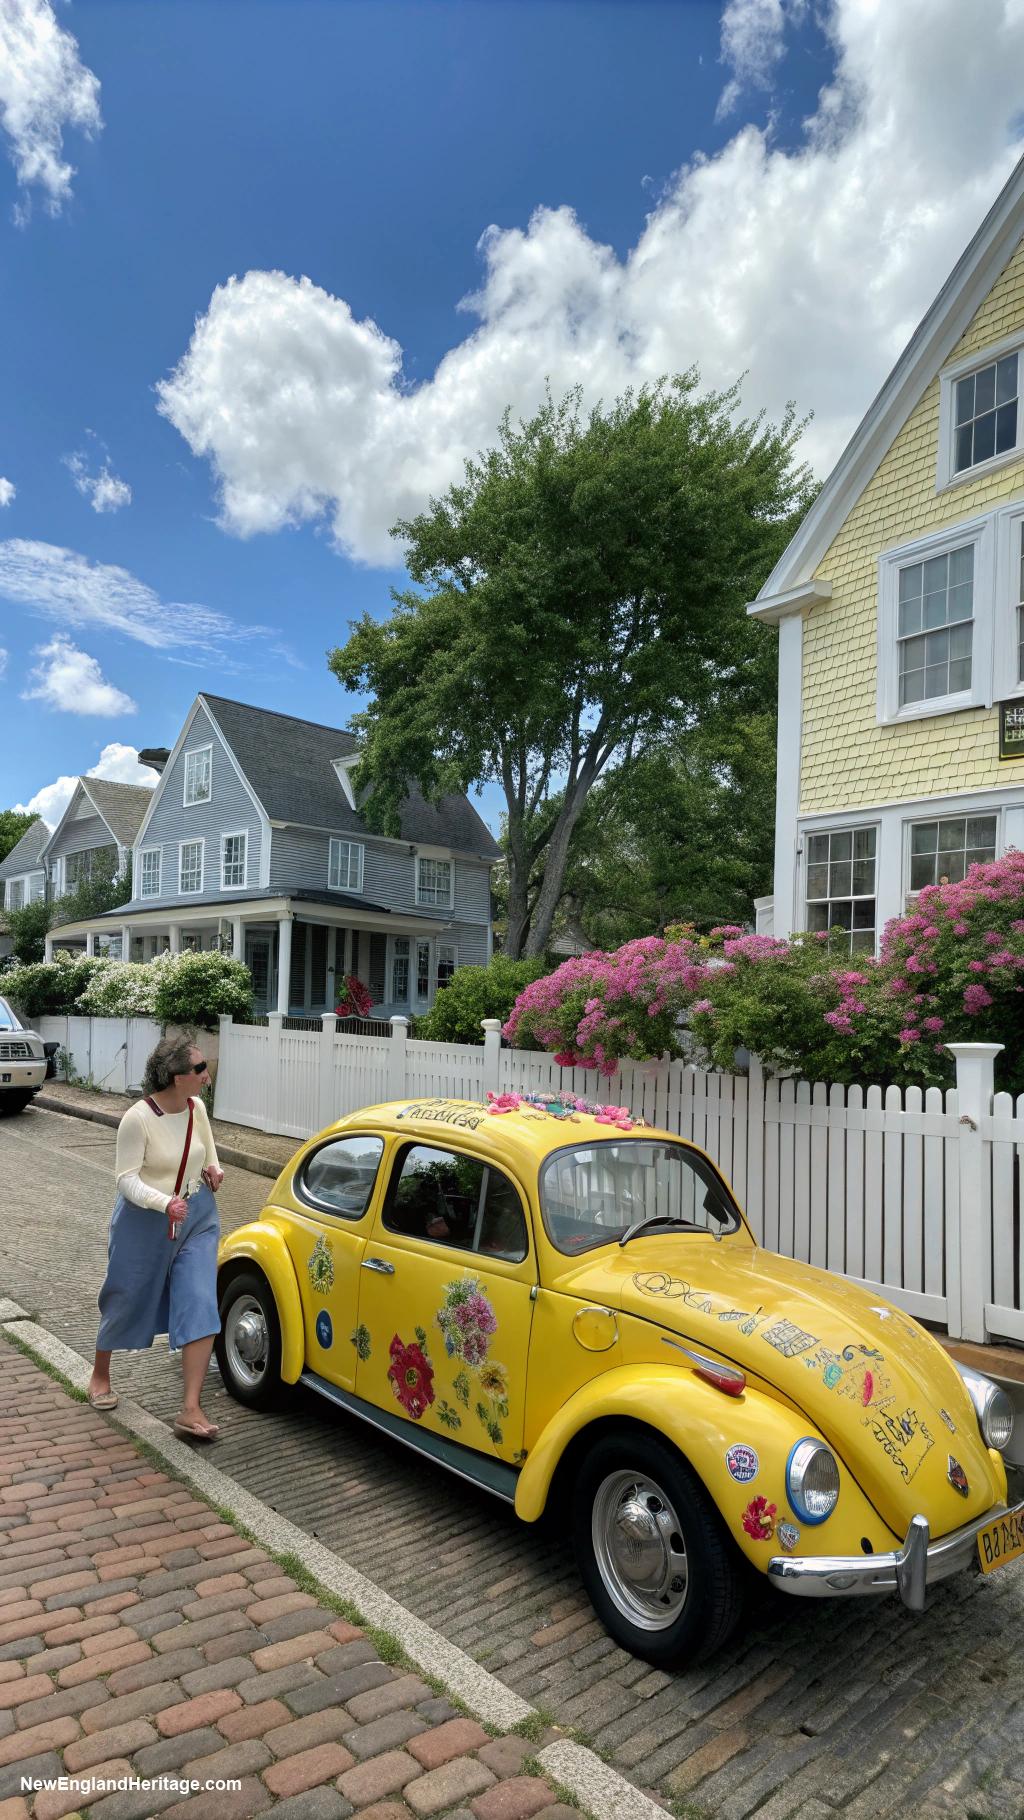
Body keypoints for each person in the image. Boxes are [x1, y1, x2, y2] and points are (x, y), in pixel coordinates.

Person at [87, 1034, 225, 1440]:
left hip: (196, 1215)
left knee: (201, 1299)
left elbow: (206, 1148)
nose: (206, 1075)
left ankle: (190, 1408)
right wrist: (163, 1202)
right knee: (126, 1295)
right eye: (199, 1069)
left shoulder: (197, 1107)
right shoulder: (138, 1118)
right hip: (145, 1219)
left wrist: (213, 1170)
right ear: (176, 1076)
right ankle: (99, 1373)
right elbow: (125, 1179)